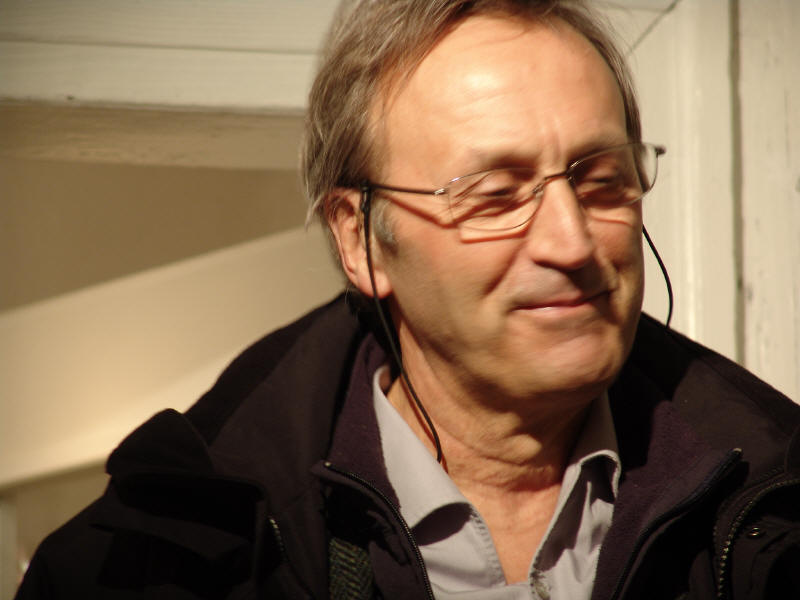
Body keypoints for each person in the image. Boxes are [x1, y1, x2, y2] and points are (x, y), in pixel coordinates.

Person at [16, 1, 800, 598]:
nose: (572, 243)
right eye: (494, 195)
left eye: (601, 179)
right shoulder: (159, 556)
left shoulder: (780, 511)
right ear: (358, 239)